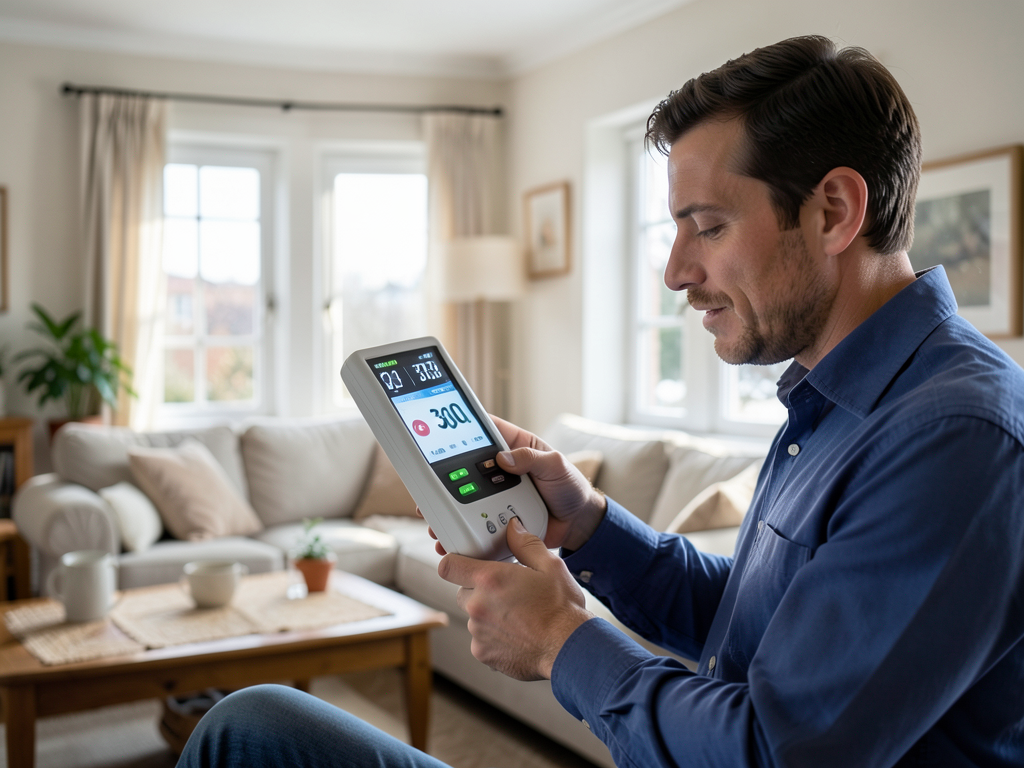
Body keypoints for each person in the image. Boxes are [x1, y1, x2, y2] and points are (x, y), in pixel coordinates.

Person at [179, 35, 1024, 767]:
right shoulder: (835, 401)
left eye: (709, 226)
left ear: (833, 211)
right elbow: (750, 623)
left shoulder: (954, 438)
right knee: (252, 725)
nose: (677, 273)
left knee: (250, 733)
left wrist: (560, 642)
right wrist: (585, 524)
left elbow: (775, 752)